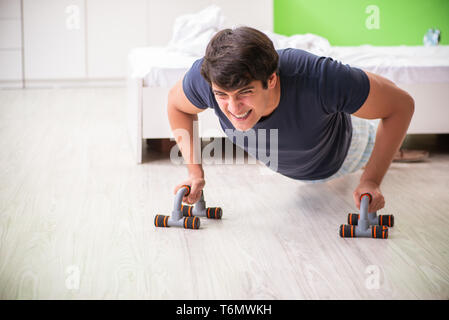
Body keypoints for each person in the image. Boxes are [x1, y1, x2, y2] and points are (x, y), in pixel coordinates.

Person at [167, 27, 414, 213]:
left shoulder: (319, 77)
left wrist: (371, 180)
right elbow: (176, 105)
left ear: (271, 80)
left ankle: (395, 144)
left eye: (245, 93)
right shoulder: (206, 78)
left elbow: (402, 106)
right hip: (291, 159)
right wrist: (194, 171)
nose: (233, 109)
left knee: (371, 90)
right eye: (222, 95)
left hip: (349, 148)